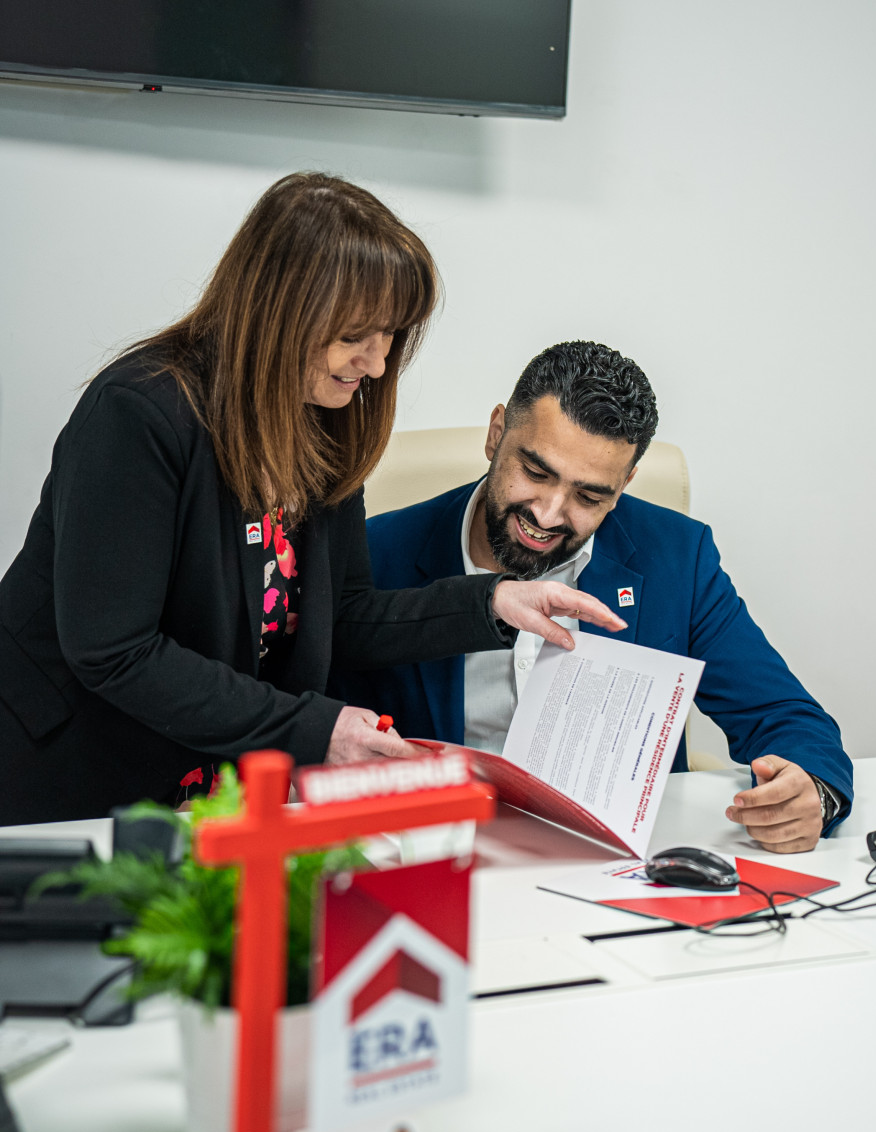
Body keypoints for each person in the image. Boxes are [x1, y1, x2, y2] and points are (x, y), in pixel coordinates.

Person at [0, 181, 623, 826]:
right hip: (68, 773)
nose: (378, 364)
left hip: (201, 784)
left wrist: (490, 602)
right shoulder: (140, 413)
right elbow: (114, 651)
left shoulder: (321, 417)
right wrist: (316, 727)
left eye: (390, 335)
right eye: (357, 334)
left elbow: (343, 616)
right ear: (279, 311)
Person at [333, 341, 854, 853]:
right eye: (535, 472)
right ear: (497, 434)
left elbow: (786, 715)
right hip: (440, 859)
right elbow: (307, 721)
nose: (550, 514)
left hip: (618, 869)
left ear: (625, 483)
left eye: (589, 496)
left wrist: (812, 792)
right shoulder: (377, 553)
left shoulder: (676, 556)